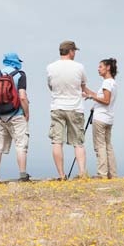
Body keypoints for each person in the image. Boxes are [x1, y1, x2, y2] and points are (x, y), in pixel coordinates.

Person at [46, 40, 88, 179]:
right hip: (75, 108)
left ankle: (61, 175)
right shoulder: (79, 67)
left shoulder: (50, 67)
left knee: (57, 141)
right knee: (78, 143)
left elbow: (50, 86)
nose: (75, 53)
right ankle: (82, 173)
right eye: (74, 51)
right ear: (70, 51)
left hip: (57, 107)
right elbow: (83, 86)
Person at [0, 52, 31, 183]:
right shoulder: (20, 75)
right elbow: (22, 96)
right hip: (17, 115)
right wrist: (26, 113)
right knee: (21, 145)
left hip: (0, 117)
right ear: (17, 62)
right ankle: (23, 175)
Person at [84, 58, 118, 179]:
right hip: (108, 118)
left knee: (100, 146)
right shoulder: (112, 82)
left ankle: (102, 174)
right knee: (108, 145)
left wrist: (92, 97)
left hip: (101, 118)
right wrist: (86, 90)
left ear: (108, 68)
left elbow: (106, 100)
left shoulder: (106, 83)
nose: (98, 69)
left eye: (100, 67)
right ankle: (112, 174)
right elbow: (99, 96)